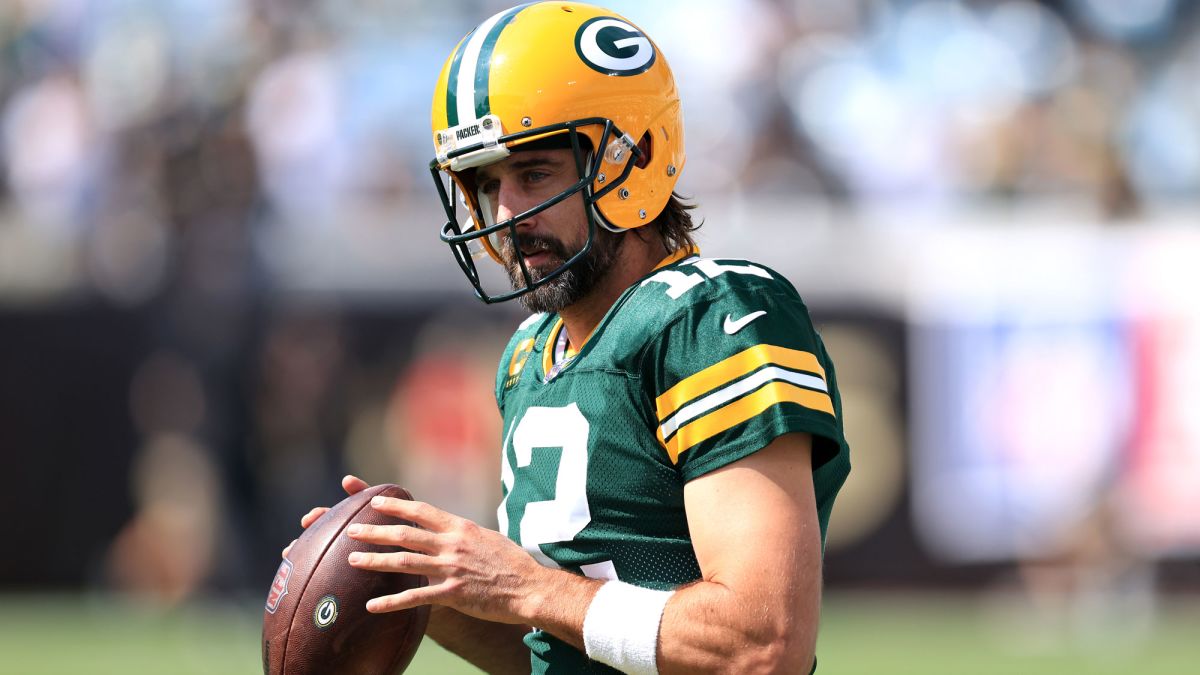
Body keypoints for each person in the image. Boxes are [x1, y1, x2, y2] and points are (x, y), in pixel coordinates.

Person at [290, 3, 850, 673]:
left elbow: (763, 644)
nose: (506, 216)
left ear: (633, 157)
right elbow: (565, 646)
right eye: (485, 184)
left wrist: (525, 584)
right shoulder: (528, 356)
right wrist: (430, 585)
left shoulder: (712, 318)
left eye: (534, 175)